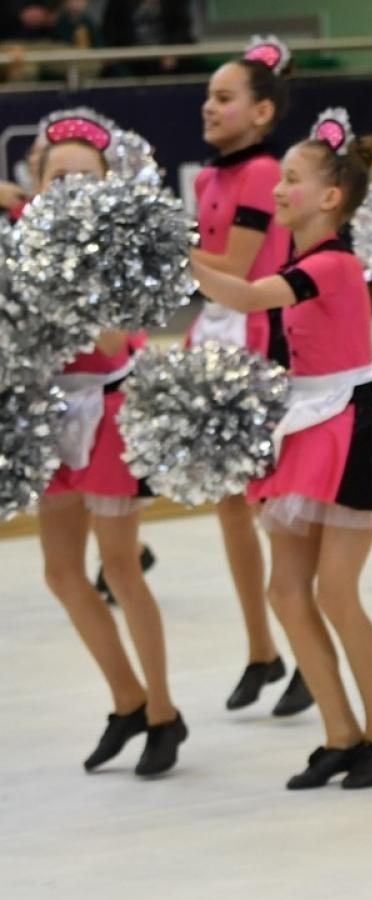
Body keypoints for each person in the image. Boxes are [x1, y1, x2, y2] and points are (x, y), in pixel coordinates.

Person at [191, 109, 372, 791]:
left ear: (331, 197)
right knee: (286, 590)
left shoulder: (334, 261)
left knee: (337, 593)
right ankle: (339, 733)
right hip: (302, 424)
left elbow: (249, 295)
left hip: (348, 428)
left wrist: (177, 251)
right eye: (278, 179)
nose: (278, 190)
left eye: (291, 180)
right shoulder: (299, 259)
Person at [32, 112, 185, 777]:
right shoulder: (20, 245)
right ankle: (126, 699)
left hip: (108, 410)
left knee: (120, 569)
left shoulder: (123, 249)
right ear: (35, 184)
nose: (69, 188)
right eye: (56, 177)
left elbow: (113, 343)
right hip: (48, 410)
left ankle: (162, 710)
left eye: (83, 179)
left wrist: (69, 280)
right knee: (61, 572)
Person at [190, 36, 310, 717]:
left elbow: (234, 268)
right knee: (229, 506)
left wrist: (155, 244)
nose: (210, 106)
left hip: (262, 345)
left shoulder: (265, 171)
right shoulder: (209, 178)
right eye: (209, 96)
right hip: (214, 338)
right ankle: (261, 649)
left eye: (225, 97)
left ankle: (298, 648)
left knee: (268, 506)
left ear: (262, 113)